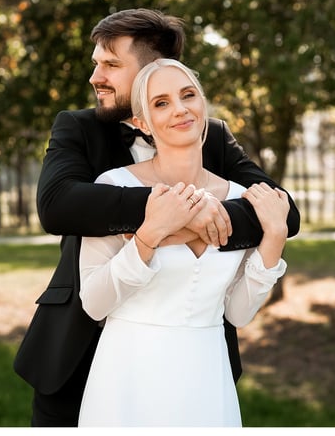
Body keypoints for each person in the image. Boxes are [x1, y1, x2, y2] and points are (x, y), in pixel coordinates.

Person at [13, 8, 301, 427]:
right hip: (75, 348)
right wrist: (165, 213)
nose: (96, 77)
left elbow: (283, 211)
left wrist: (197, 215)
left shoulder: (208, 133)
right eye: (97, 64)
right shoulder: (78, 128)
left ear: (156, 68)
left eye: (111, 65)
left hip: (195, 359)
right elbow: (57, 205)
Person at [77, 58, 290, 426]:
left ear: (202, 103)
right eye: (161, 103)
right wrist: (149, 236)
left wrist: (274, 238)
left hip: (207, 377)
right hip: (127, 378)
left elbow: (237, 314)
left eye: (188, 95)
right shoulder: (114, 187)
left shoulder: (239, 197)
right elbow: (94, 304)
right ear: (142, 122)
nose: (180, 109)